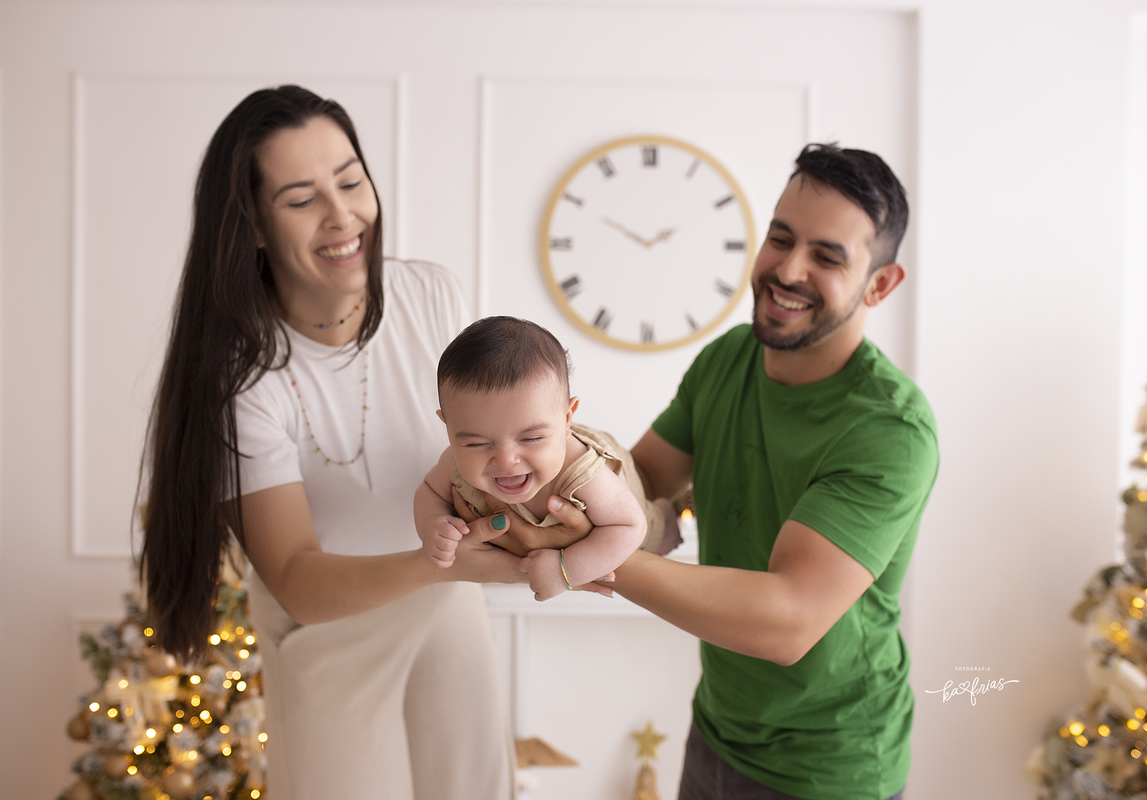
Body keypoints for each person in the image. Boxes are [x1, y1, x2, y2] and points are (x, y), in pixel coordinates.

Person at [499, 143, 938, 800]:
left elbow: (786, 620)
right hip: (718, 732)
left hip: (833, 769)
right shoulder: (729, 358)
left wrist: (587, 556)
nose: (788, 270)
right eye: (781, 239)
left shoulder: (889, 430)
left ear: (880, 285)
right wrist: (531, 463)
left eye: (826, 256)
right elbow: (641, 481)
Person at [138, 85, 521, 800]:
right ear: (252, 224)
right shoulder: (240, 376)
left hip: (447, 607)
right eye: (301, 197)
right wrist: (441, 563)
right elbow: (296, 577)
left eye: (350, 181)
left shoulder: (431, 297)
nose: (343, 215)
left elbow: (491, 449)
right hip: (329, 633)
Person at [417, 316, 662, 601]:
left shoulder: (584, 473)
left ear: (567, 419)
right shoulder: (454, 462)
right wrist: (433, 526)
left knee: (655, 527)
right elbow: (429, 490)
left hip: (631, 515)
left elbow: (629, 526)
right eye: (477, 443)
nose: (507, 460)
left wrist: (564, 569)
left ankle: (667, 515)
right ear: (448, 427)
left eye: (531, 438)